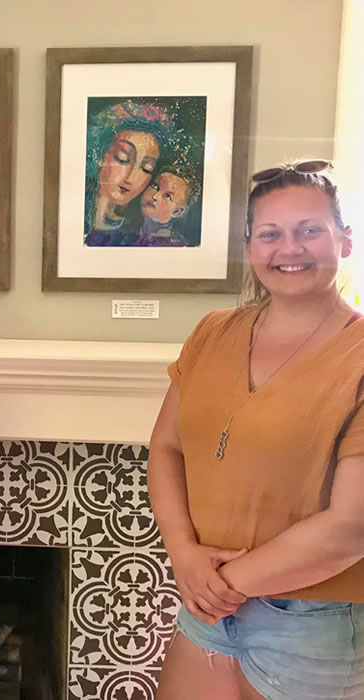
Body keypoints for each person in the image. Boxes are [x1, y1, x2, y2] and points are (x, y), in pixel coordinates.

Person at [148, 160, 364, 699]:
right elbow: (166, 448)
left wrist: (220, 583)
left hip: (314, 620)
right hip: (206, 609)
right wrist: (183, 554)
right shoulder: (212, 332)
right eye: (270, 233)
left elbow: (351, 526)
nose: (289, 249)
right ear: (250, 248)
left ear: (345, 241)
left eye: (310, 230)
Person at [84, 99, 171, 247]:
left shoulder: (138, 236)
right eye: (122, 158)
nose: (131, 178)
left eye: (147, 168)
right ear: (99, 156)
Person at [135, 169, 192, 247]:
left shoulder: (171, 245)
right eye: (155, 186)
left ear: (177, 211)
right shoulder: (131, 230)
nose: (155, 196)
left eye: (168, 196)